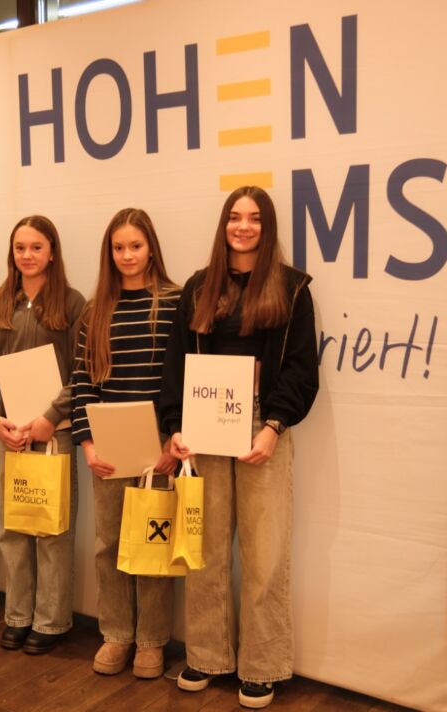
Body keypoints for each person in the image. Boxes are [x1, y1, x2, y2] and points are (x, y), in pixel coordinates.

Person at [158, 186, 319, 709]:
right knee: (204, 548)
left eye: (253, 218)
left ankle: (263, 665)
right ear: (223, 224)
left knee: (264, 551)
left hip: (261, 424)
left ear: (266, 228)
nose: (243, 226)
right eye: (234, 217)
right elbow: (176, 361)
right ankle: (206, 656)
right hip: (203, 424)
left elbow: (301, 368)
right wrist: (175, 426)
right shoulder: (199, 286)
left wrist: (273, 426)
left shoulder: (292, 288)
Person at [71, 208, 181, 678]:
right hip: (110, 441)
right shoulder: (95, 310)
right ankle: (116, 633)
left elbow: (185, 376)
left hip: (159, 440)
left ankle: (152, 641)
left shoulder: (176, 302)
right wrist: (88, 445)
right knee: (110, 543)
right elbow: (82, 381)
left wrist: (173, 443)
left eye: (135, 246)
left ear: (151, 248)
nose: (127, 255)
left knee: (152, 542)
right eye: (118, 248)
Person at [0, 215, 85, 655]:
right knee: (15, 528)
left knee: (53, 529)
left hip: (54, 433)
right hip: (10, 435)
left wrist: (51, 416)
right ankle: (17, 615)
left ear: (52, 252)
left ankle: (52, 621)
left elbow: (83, 369)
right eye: (20, 248)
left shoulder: (72, 303)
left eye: (36, 247)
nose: (27, 255)